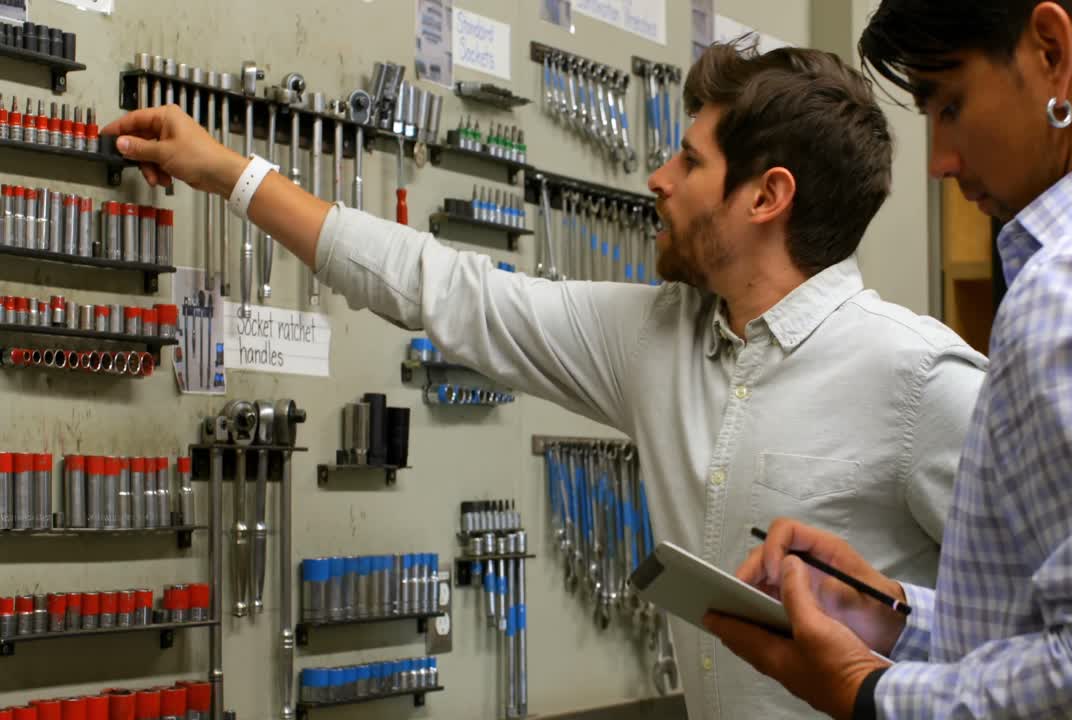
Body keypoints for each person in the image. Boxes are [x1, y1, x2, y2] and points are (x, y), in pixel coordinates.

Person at [104, 40, 987, 720]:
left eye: (689, 160)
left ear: (767, 197)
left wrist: (896, 623)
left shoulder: (921, 383)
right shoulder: (655, 338)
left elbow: (1054, 637)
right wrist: (228, 171)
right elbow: (440, 286)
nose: (658, 179)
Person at [704, 1, 1072, 718]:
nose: (941, 162)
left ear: (1050, 50)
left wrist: (869, 690)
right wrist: (891, 618)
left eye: (949, 105)